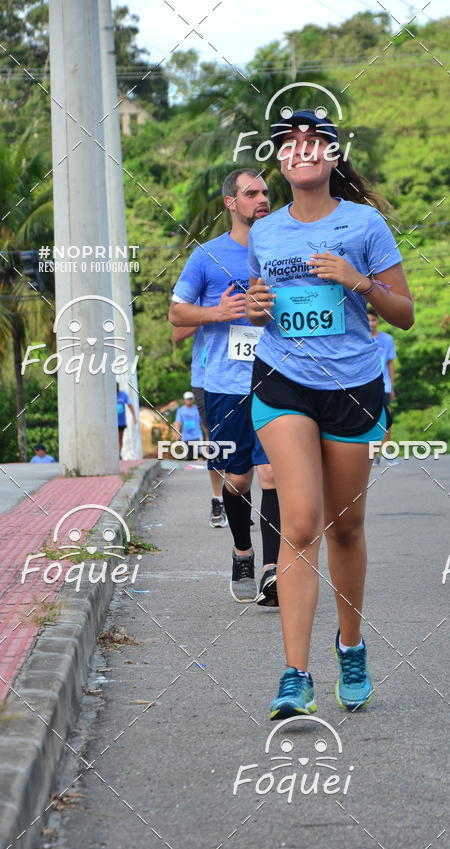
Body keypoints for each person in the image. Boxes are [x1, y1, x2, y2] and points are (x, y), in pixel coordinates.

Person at [245, 109, 414, 719]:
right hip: (282, 376)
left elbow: (403, 314)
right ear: (282, 162)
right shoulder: (265, 232)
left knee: (344, 527)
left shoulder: (365, 225)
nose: (303, 149)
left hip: (352, 382)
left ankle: (351, 646)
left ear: (333, 157)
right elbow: (265, 304)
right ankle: (295, 674)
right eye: (291, 144)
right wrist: (257, 308)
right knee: (300, 523)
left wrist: (357, 281)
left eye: (315, 141)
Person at [168, 169, 281, 606]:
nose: (262, 199)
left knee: (271, 473)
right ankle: (242, 550)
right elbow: (177, 316)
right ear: (231, 203)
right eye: (251, 193)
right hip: (224, 383)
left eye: (266, 192)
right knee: (236, 479)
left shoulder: (283, 250)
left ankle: (272, 571)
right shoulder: (207, 257)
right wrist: (218, 313)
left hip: (277, 379)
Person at [172, 326, 227, 527]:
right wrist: (213, 313)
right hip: (206, 381)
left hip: (245, 375)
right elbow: (177, 334)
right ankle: (218, 499)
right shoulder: (199, 296)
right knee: (215, 439)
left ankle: (240, 499)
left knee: (245, 441)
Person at [367, 306, 396, 464]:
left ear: (377, 321)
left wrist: (392, 385)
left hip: (383, 384)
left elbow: (390, 363)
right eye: (368, 319)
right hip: (365, 383)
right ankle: (373, 453)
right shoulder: (359, 338)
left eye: (373, 319)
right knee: (368, 418)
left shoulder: (387, 339)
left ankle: (385, 449)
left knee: (386, 417)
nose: (370, 323)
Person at [174, 391, 202, 460]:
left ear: (193, 399)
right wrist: (177, 433)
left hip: (197, 436)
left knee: (197, 456)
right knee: (189, 457)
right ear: (184, 400)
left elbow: (203, 422)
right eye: (187, 399)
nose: (189, 400)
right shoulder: (180, 410)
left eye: (190, 399)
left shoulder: (197, 409)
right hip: (186, 437)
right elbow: (178, 422)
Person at [116, 384, 137, 456]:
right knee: (114, 438)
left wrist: (134, 417)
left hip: (121, 421)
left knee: (119, 438)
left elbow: (130, 405)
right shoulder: (110, 395)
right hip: (113, 423)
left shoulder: (123, 395)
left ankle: (118, 454)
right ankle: (115, 453)